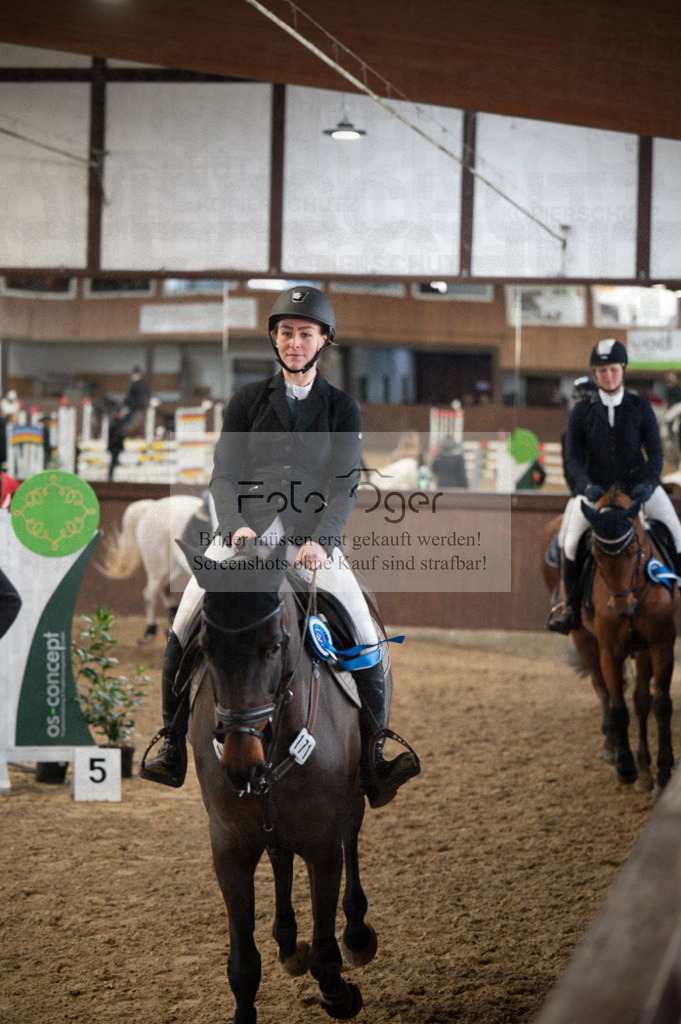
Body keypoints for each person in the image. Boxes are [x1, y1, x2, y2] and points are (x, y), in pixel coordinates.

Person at [141, 286, 420, 807]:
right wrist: (236, 527)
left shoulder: (341, 408)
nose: (295, 342)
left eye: (305, 333)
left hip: (311, 546)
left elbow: (343, 486)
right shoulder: (247, 401)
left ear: (323, 341)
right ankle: (172, 744)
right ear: (275, 338)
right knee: (182, 624)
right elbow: (225, 477)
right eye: (287, 333)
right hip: (246, 540)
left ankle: (374, 757)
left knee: (364, 633)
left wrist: (321, 540)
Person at [546, 339, 681, 634]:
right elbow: (573, 459)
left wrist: (647, 485)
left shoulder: (640, 407)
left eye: (614, 369)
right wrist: (587, 487)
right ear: (596, 372)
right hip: (595, 493)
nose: (609, 375)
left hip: (638, 489)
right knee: (569, 542)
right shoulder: (581, 413)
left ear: (623, 370)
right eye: (603, 370)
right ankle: (569, 608)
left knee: (677, 532)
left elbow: (655, 454)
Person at [108, 367, 148, 479]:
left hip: (134, 406)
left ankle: (124, 430)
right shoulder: (142, 383)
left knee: (122, 417)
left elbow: (130, 398)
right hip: (138, 405)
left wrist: (124, 404)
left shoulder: (135, 384)